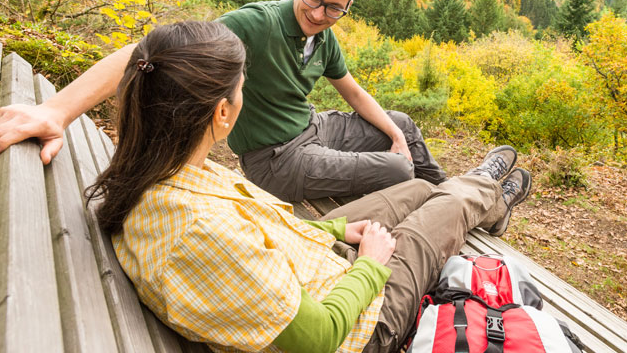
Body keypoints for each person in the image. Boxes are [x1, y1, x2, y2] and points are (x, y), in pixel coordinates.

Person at [90, 21, 532, 353]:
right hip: (361, 323)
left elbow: (260, 236)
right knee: (446, 205)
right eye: (242, 90)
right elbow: (318, 337)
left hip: (306, 259)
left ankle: (486, 200)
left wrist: (339, 233)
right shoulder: (201, 230)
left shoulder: (164, 172)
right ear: (222, 114)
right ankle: (484, 190)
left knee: (417, 191)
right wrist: (373, 264)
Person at [0, 0, 446, 202]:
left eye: (335, 8)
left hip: (312, 131)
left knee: (400, 126)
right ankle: (423, 206)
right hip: (276, 159)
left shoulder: (324, 36)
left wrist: (394, 131)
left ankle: (444, 195)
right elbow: (152, 48)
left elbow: (354, 92)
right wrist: (56, 110)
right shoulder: (257, 23)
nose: (320, 13)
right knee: (396, 171)